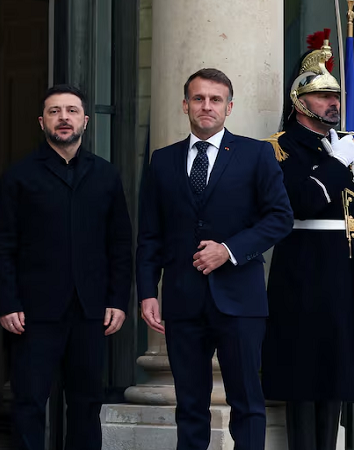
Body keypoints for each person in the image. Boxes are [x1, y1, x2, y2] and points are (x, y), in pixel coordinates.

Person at [137, 68, 294, 450]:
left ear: (229, 107)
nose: (206, 106)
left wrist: (228, 250)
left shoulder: (256, 154)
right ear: (185, 105)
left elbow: (280, 218)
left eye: (215, 99)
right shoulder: (162, 161)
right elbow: (150, 234)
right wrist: (147, 292)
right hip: (182, 299)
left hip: (240, 300)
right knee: (190, 405)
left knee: (247, 403)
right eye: (198, 98)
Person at [260, 35, 354, 450]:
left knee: (336, 376)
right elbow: (302, 201)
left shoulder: (346, 146)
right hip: (305, 270)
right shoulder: (279, 150)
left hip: (347, 273)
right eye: (323, 96)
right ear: (300, 101)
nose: (333, 103)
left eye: (335, 96)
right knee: (304, 376)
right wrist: (335, 164)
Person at [0, 84, 132, 450]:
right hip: (32, 311)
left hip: (90, 310)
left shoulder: (106, 175)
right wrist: (7, 302)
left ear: (86, 120)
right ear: (42, 122)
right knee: (28, 402)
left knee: (87, 403)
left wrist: (117, 300)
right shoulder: (18, 177)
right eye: (54, 111)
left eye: (71, 111)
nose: (63, 118)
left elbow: (119, 244)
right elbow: (1, 245)